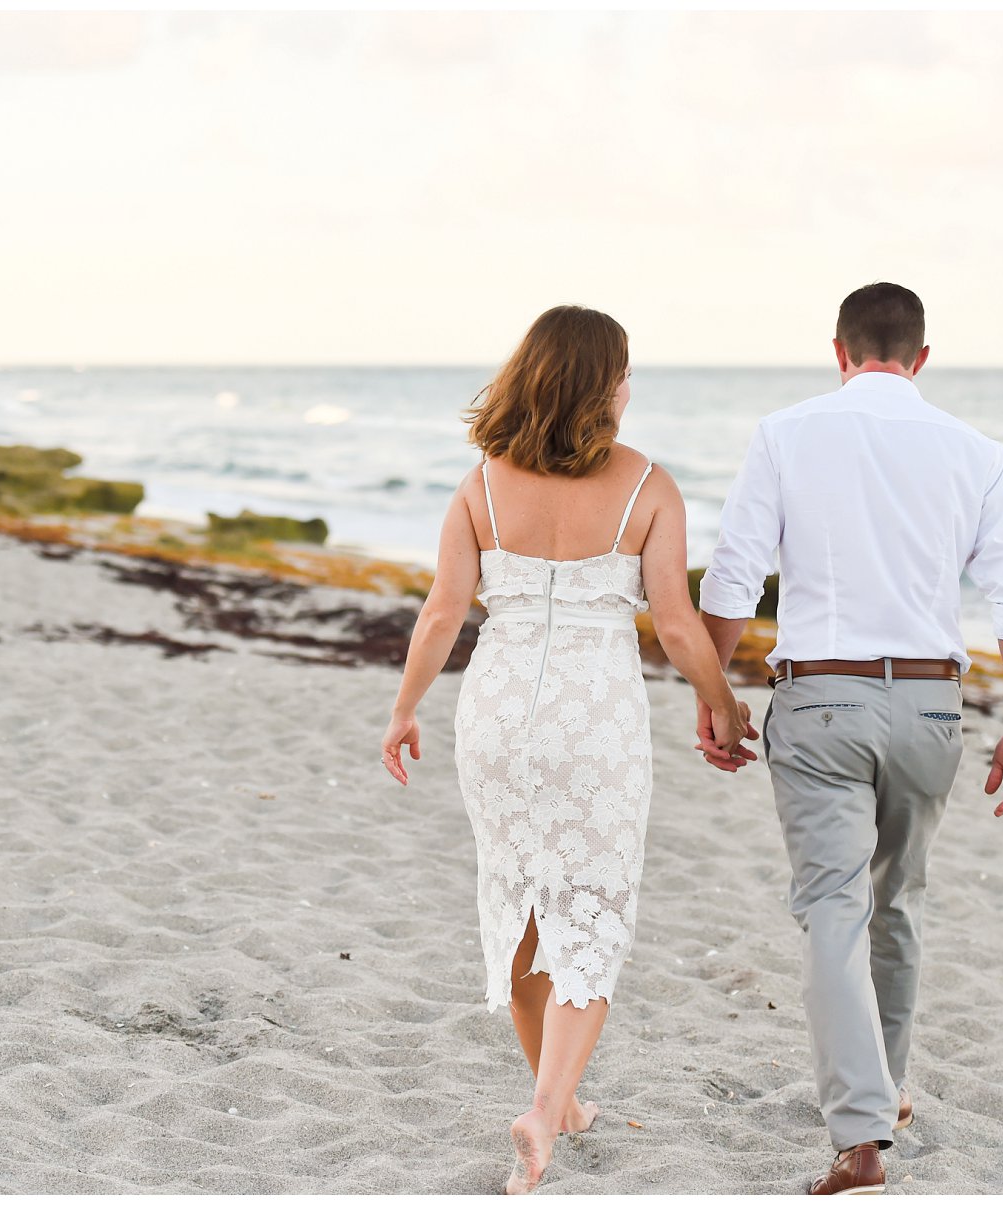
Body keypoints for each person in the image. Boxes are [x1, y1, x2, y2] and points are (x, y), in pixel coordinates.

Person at [381, 304, 752, 1194]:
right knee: (592, 909)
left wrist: (402, 711)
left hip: (499, 712)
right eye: (624, 372)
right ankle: (547, 1108)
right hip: (597, 721)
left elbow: (441, 612)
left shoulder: (481, 484)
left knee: (516, 904)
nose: (630, 388)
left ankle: (563, 1100)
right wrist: (726, 705)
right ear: (602, 384)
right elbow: (674, 621)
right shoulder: (647, 485)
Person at [695, 282, 1003, 1195]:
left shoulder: (786, 432)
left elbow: (733, 574)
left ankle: (860, 1135)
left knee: (831, 908)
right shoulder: (975, 453)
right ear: (921, 358)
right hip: (932, 705)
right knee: (898, 902)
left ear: (840, 351)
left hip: (819, 701)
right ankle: (881, 1097)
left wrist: (716, 693)